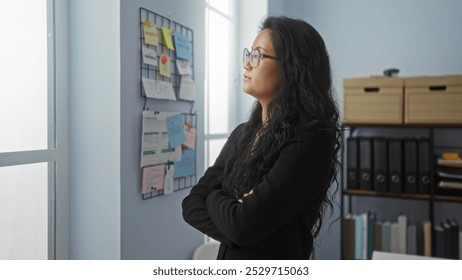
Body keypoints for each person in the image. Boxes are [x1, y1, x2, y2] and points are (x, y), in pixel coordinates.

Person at [182, 16, 340, 260]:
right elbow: (191, 205)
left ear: (292, 67)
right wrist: (234, 213)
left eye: (258, 55)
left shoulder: (309, 141)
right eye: (249, 54)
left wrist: (215, 194)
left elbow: (242, 226)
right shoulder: (242, 134)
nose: (247, 64)